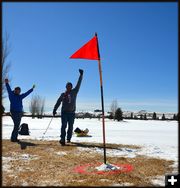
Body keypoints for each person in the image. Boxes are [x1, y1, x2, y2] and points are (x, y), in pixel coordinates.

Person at [53, 69, 83, 146]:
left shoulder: (74, 91)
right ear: (66, 87)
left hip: (72, 113)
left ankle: (68, 138)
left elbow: (79, 84)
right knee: (63, 126)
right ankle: (62, 139)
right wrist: (55, 109)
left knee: (70, 127)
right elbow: (58, 101)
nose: (69, 87)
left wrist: (81, 75)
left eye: (70, 86)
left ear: (72, 87)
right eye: (67, 86)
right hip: (64, 113)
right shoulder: (63, 94)